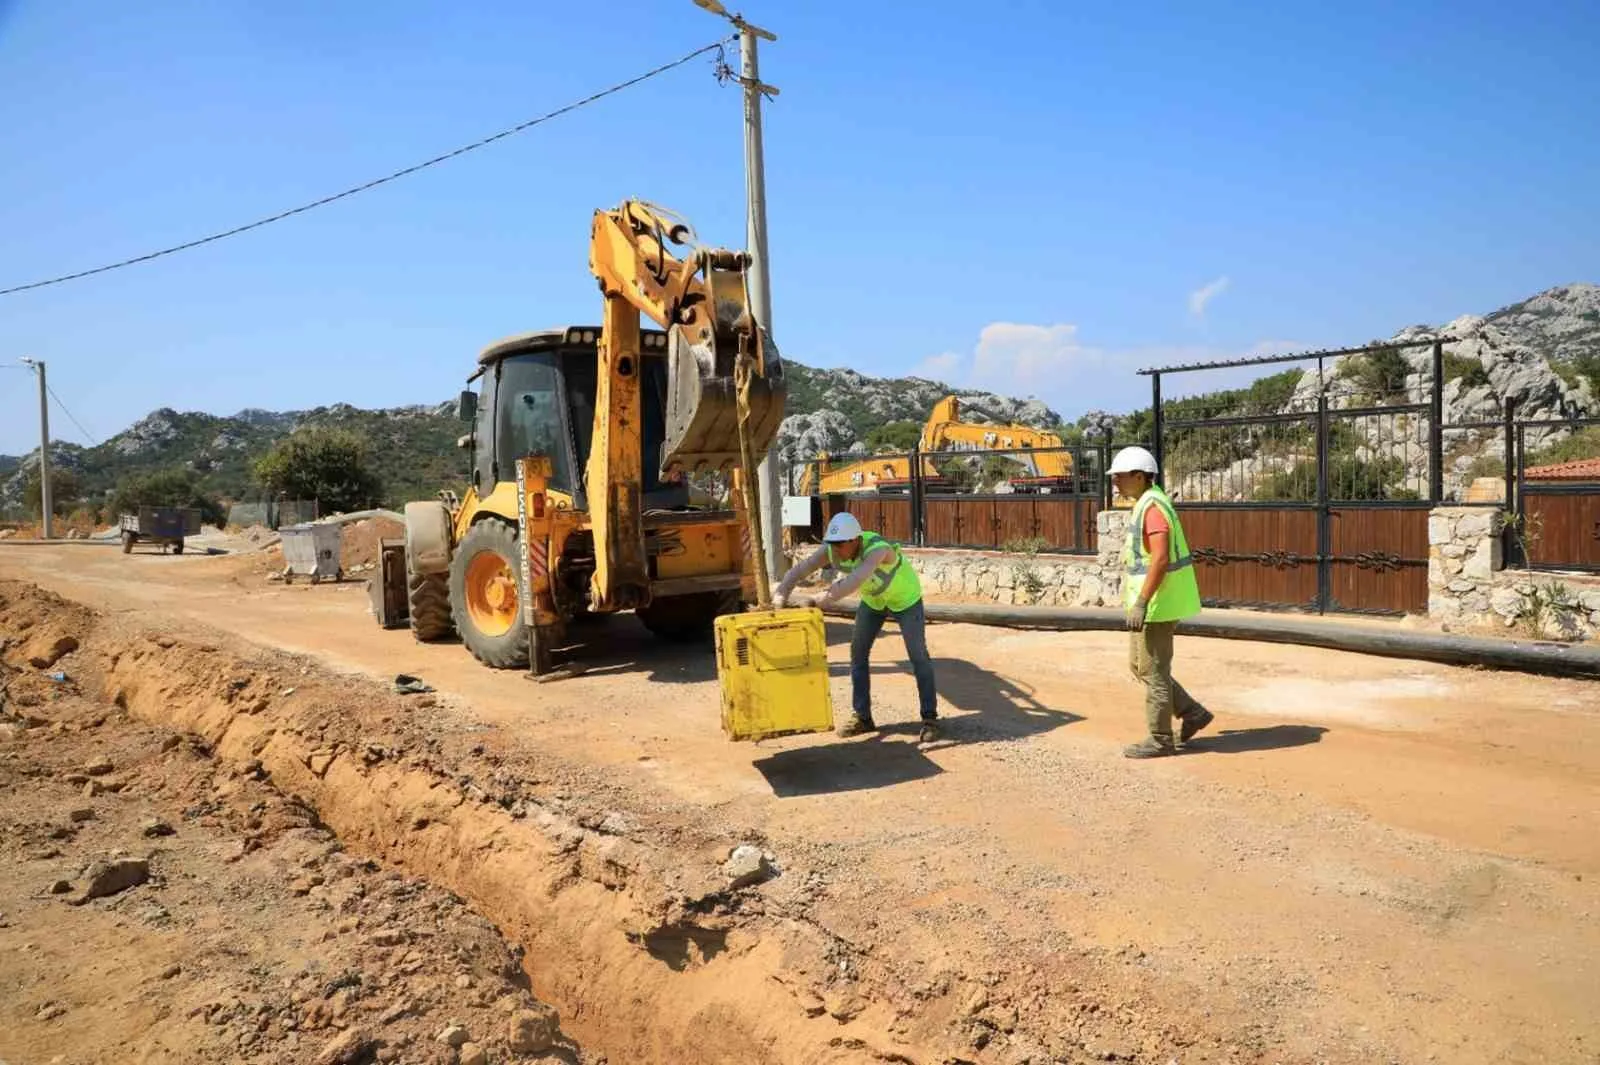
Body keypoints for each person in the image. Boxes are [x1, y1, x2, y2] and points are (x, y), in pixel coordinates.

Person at [773, 512, 941, 743]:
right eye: (832, 544)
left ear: (855, 540)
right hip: (874, 601)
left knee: (918, 656)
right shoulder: (833, 548)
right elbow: (801, 569)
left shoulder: (877, 549)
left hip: (905, 600)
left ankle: (930, 718)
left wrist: (815, 601)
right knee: (858, 654)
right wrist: (781, 595)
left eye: (840, 545)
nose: (836, 550)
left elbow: (853, 581)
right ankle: (863, 717)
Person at [1109, 446, 1214, 758]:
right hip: (1154, 602)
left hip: (1157, 603)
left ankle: (1160, 738)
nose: (1115, 482)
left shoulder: (1152, 508)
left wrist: (1141, 601)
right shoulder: (1147, 502)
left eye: (1120, 476)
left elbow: (1160, 558)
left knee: (1154, 672)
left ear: (1139, 476)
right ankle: (1192, 712)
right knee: (1140, 666)